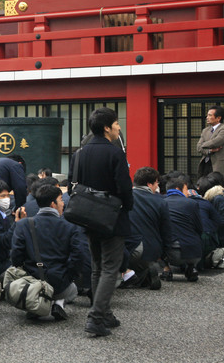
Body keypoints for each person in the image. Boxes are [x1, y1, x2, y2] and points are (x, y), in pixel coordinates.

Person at [68, 107, 133, 337]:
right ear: (107, 127)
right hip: (111, 218)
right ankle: (96, 317)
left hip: (87, 217)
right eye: (116, 123)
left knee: (97, 267)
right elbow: (125, 188)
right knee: (110, 268)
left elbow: (70, 185)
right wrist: (127, 206)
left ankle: (103, 312)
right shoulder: (115, 153)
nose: (119, 127)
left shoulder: (80, 153)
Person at [11, 184, 84, 320]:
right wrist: (69, 276)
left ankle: (35, 303)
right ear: (53, 204)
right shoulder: (69, 227)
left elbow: (16, 256)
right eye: (61, 200)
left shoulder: (23, 225)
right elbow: (78, 256)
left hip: (32, 280)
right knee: (72, 290)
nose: (63, 203)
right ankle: (58, 303)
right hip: (59, 282)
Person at [125, 167, 172, 290]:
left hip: (127, 248)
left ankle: (138, 275)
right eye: (157, 183)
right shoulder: (161, 201)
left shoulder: (124, 198)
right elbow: (166, 231)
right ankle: (144, 273)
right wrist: (165, 255)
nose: (158, 186)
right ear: (149, 184)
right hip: (151, 250)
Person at [163, 175, 203, 282]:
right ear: (178, 189)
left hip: (171, 252)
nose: (188, 192)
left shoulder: (161, 203)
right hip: (195, 253)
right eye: (186, 189)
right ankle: (191, 267)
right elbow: (199, 227)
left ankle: (166, 269)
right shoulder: (192, 203)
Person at [197, 105, 224, 177]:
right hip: (206, 163)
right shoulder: (205, 130)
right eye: (207, 115)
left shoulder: (222, 129)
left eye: (209, 115)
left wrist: (203, 145)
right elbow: (198, 147)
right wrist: (210, 151)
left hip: (218, 164)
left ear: (218, 118)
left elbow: (216, 142)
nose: (207, 118)